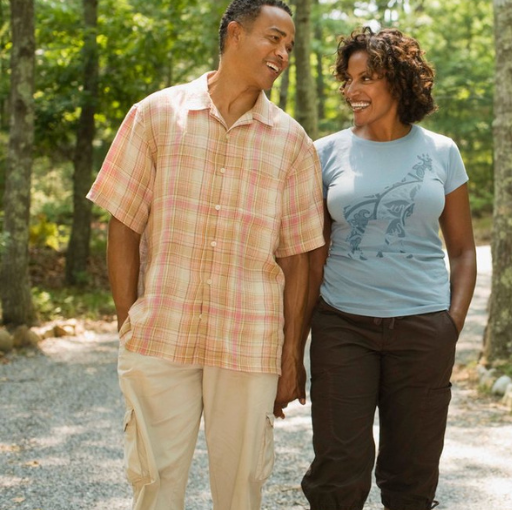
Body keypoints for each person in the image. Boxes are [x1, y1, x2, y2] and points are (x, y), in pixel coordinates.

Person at [86, 1, 324, 508]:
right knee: (154, 484)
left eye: (289, 46)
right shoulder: (154, 114)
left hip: (249, 340)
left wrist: (289, 357)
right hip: (161, 334)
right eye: (274, 38)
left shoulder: (293, 143)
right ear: (235, 34)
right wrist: (129, 321)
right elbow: (123, 223)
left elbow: (297, 257)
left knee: (241, 491)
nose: (283, 54)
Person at [300, 27, 477, 510]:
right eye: (348, 79)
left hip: (423, 328)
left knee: (412, 472)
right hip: (343, 325)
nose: (351, 91)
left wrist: (450, 325)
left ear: (399, 82)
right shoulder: (324, 152)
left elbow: (462, 250)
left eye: (366, 78)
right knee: (338, 467)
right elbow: (312, 251)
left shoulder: (441, 152)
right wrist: (296, 337)